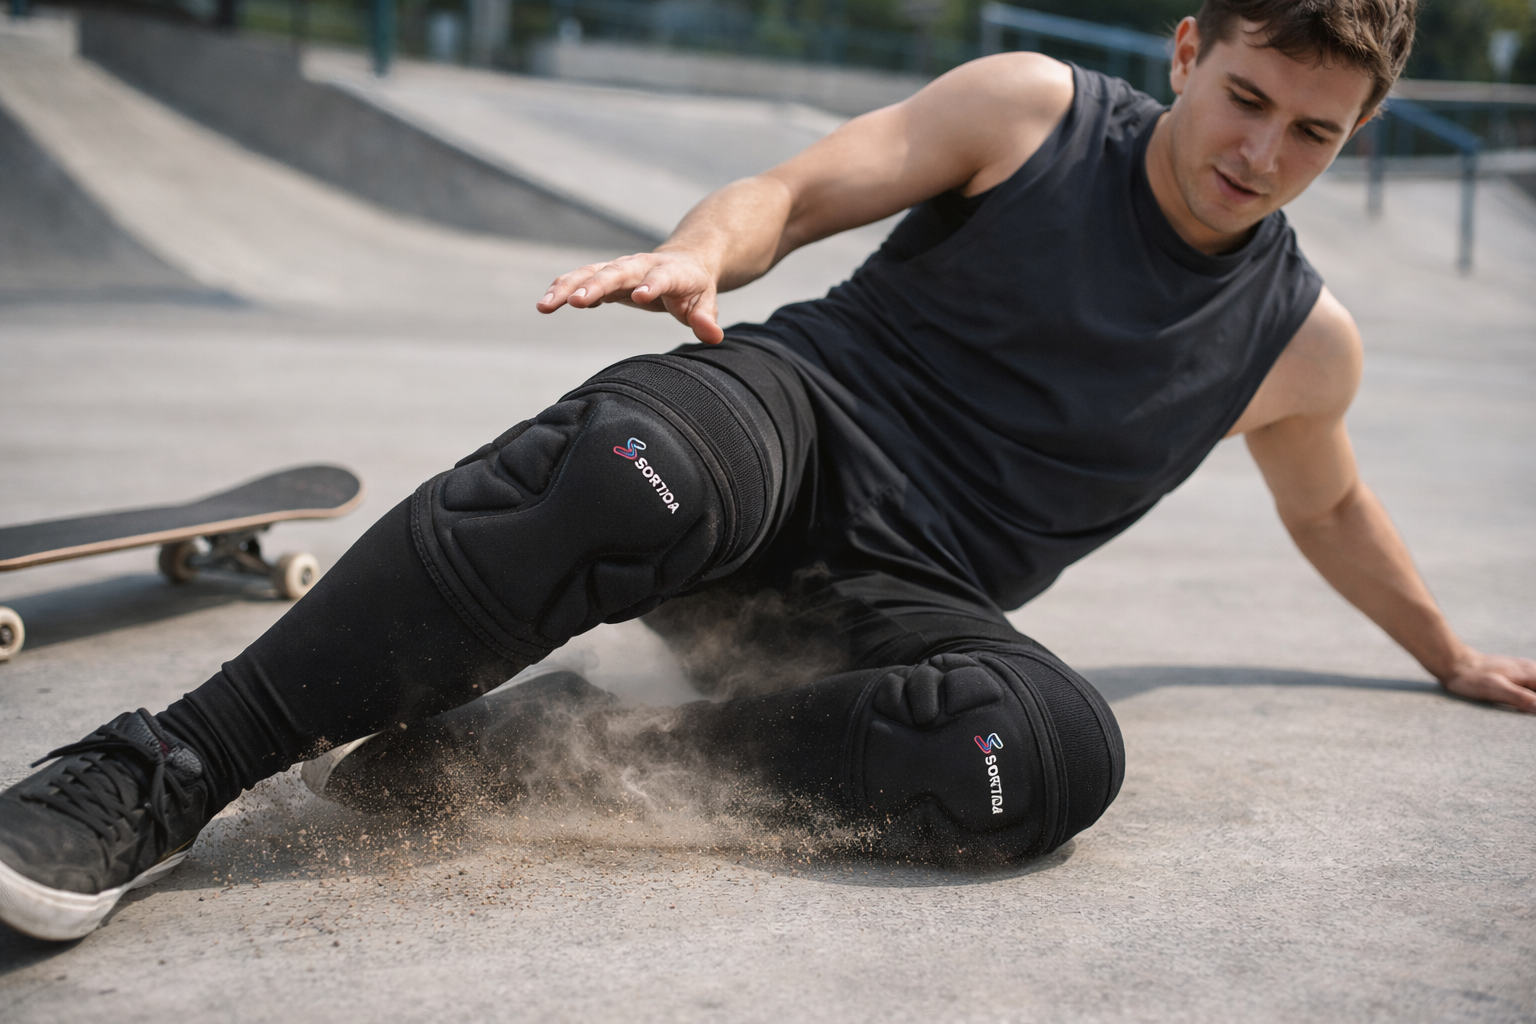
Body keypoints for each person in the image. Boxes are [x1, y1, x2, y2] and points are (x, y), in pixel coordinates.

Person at [3, 0, 1532, 943]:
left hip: (887, 598)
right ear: (1191, 51)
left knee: (1047, 756)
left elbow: (1328, 503)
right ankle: (160, 769)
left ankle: (531, 766)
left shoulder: (1298, 341)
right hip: (793, 423)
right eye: (1247, 99)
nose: (1262, 154)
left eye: (1315, 136)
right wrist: (699, 248)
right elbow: (800, 188)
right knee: (618, 472)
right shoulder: (1036, 112)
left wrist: (1447, 651)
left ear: (1361, 135)